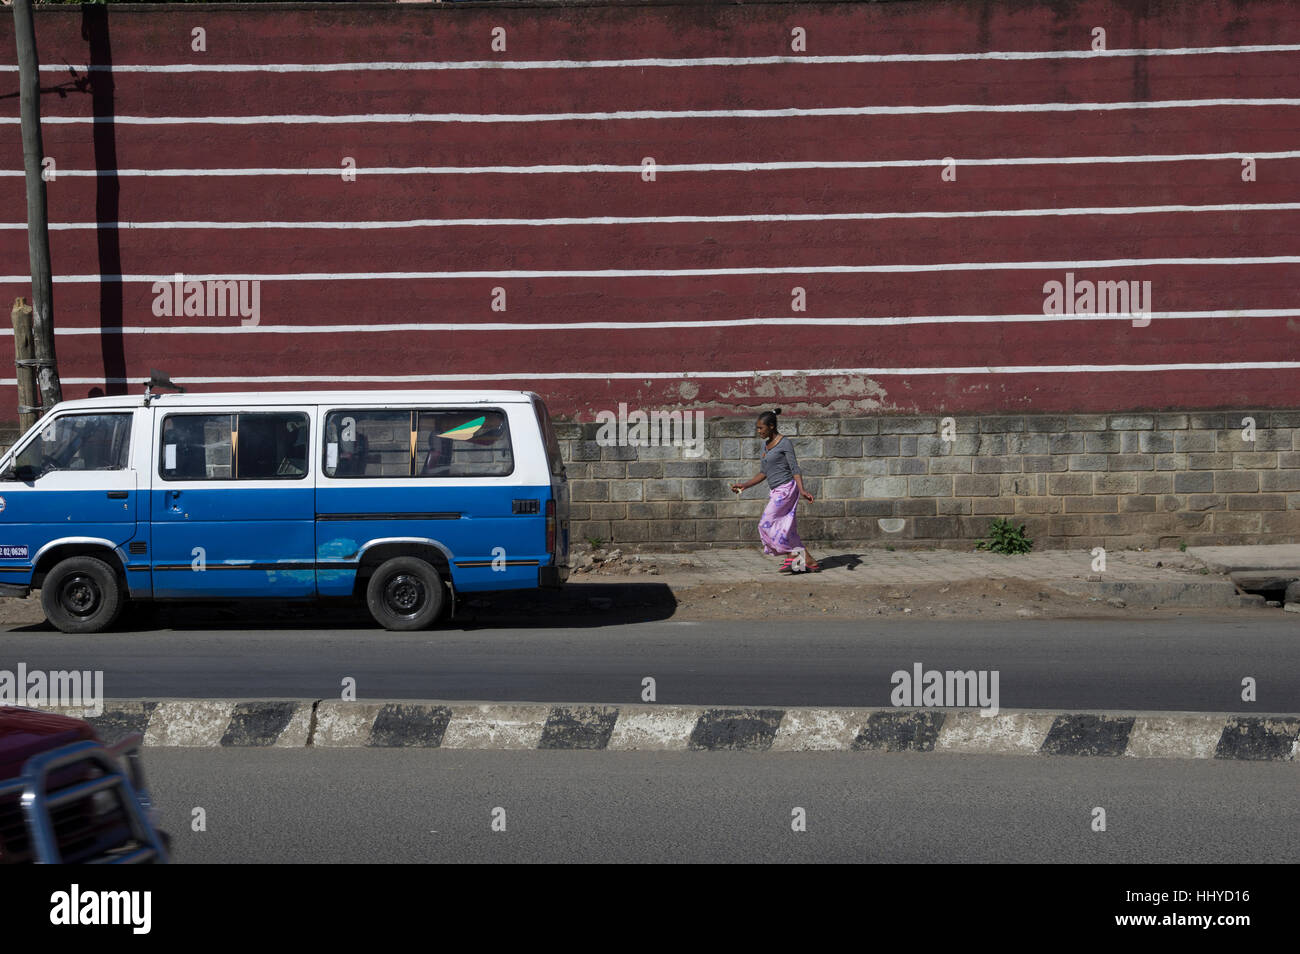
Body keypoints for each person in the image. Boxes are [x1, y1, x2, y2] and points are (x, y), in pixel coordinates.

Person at [730, 408, 821, 572]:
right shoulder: (766, 446)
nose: (758, 431)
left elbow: (795, 468)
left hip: (786, 489)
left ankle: (793, 556)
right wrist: (745, 485)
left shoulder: (784, 443)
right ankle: (808, 562)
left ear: (771, 426)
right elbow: (764, 472)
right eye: (757, 428)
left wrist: (802, 490)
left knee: (766, 524)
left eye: (760, 428)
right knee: (787, 528)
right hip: (777, 490)